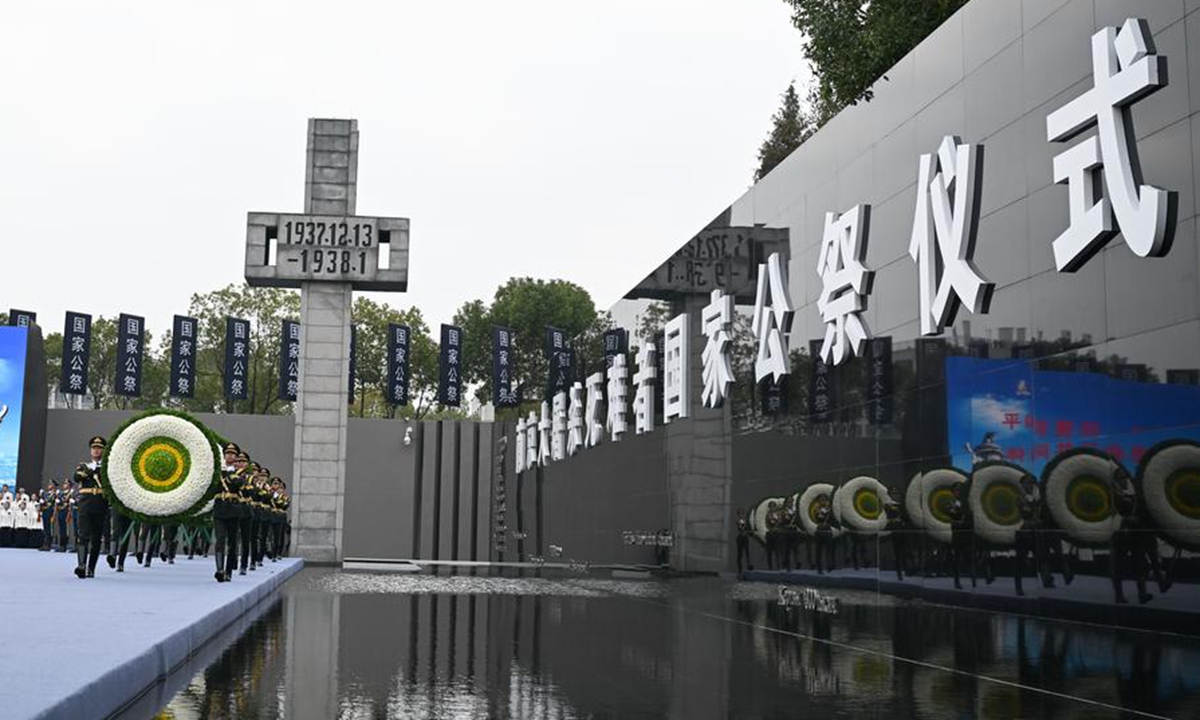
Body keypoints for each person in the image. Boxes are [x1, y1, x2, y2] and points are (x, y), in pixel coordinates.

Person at [73, 436, 110, 579]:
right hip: (85, 503)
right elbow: (77, 477)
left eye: (99, 448)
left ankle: (91, 568)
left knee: (96, 538)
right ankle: (81, 565)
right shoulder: (84, 466)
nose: (96, 450)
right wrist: (88, 472)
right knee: (82, 535)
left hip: (100, 503)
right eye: (94, 448)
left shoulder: (107, 468)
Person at [212, 443, 246, 582]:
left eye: (232, 454)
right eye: (227, 453)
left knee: (232, 542)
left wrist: (232, 476)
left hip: (233, 509)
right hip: (220, 508)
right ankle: (219, 570)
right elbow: (212, 488)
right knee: (220, 539)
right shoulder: (217, 471)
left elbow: (239, 485)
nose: (229, 455)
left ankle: (228, 571)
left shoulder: (241, 473)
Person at [735, 507, 753, 575]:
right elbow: (740, 528)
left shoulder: (745, 521)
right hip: (740, 538)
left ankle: (749, 566)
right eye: (740, 514)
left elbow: (747, 528)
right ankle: (740, 569)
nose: (741, 515)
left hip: (745, 537)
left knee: (747, 552)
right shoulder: (738, 521)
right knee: (740, 554)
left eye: (742, 513)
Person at [39, 483, 55, 551]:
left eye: (50, 485)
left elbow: (50, 502)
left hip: (49, 511)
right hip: (45, 511)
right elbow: (42, 501)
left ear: (53, 486)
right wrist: (40, 496)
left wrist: (44, 502)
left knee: (48, 529)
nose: (48, 486)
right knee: (45, 528)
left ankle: (48, 545)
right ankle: (44, 544)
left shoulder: (54, 494)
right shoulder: (45, 493)